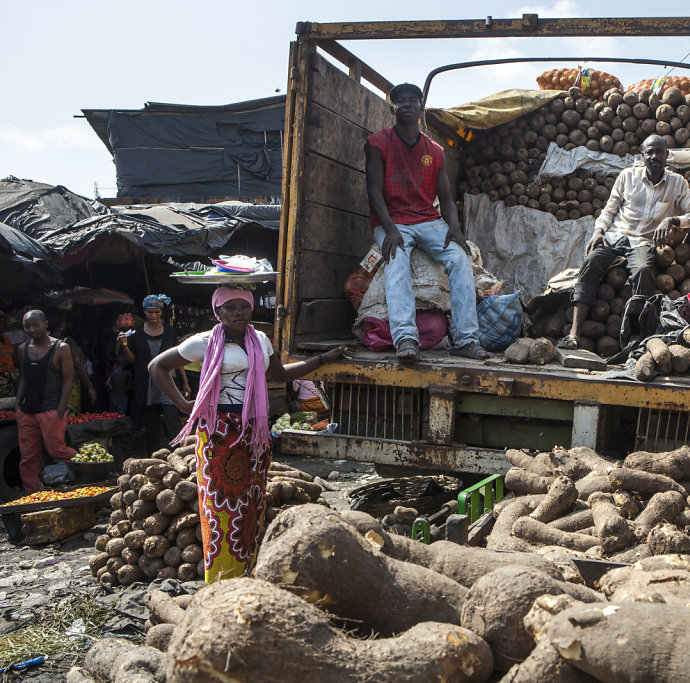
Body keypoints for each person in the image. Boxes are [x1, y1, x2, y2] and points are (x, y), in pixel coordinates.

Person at [149, 286, 348, 582]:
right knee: (219, 506)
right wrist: (183, 404)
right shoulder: (203, 342)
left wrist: (323, 359)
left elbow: (281, 375)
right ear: (218, 312)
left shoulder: (260, 340)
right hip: (218, 431)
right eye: (230, 307)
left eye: (244, 306)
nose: (238, 312)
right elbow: (157, 366)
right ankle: (220, 581)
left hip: (254, 430)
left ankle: (246, 575)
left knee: (251, 504)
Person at [365, 82, 490, 363]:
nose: (407, 104)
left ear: (421, 107)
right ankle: (406, 337)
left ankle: (466, 339)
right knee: (396, 259)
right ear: (393, 108)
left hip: (427, 220)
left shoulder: (434, 150)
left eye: (413, 100)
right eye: (400, 101)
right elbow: (373, 191)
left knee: (460, 259)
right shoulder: (378, 143)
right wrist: (391, 231)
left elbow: (445, 198)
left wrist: (455, 229)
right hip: (392, 220)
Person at [558, 135, 690, 350]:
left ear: (667, 155)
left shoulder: (677, 183)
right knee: (591, 262)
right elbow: (611, 208)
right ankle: (574, 334)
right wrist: (599, 230)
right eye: (650, 152)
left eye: (659, 152)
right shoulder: (627, 176)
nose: (654, 156)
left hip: (643, 241)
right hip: (616, 236)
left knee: (643, 270)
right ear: (642, 155)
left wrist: (673, 219)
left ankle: (638, 338)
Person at [13, 310, 78, 493]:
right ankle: (33, 499)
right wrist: (18, 404)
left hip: (51, 410)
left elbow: (68, 380)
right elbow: (25, 377)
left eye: (36, 325)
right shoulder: (21, 349)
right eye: (27, 326)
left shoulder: (60, 348)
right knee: (27, 458)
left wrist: (60, 409)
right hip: (27, 411)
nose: (31, 329)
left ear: (46, 324)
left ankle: (90, 468)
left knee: (57, 451)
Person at [121, 295, 190, 454]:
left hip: (168, 381)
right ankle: (154, 454)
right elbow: (132, 361)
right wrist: (124, 346)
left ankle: (180, 453)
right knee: (150, 422)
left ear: (161, 312)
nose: (153, 316)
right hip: (146, 383)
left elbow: (178, 359)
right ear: (144, 312)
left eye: (156, 312)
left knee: (172, 418)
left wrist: (185, 383)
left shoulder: (170, 332)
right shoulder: (135, 333)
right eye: (149, 312)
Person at [47, 310, 97, 414]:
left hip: (51, 388)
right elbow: (78, 365)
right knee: (70, 418)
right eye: (64, 322)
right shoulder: (67, 342)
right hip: (69, 386)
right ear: (60, 325)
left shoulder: (44, 342)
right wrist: (90, 386)